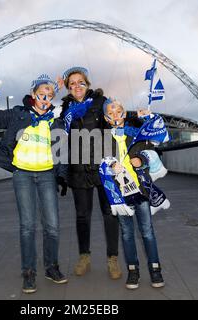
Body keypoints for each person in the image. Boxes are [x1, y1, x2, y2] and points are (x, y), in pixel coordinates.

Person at [0, 74, 68, 294]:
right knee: (27, 226)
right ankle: (28, 272)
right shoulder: (19, 114)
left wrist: (61, 175)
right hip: (22, 174)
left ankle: (51, 267)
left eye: (49, 95)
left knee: (52, 226)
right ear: (33, 95)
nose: (45, 98)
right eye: (41, 94)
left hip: (46, 176)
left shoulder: (56, 121)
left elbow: (61, 152)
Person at [58, 67, 122, 280]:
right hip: (79, 170)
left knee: (109, 213)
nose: (77, 86)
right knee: (82, 216)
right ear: (68, 88)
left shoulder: (100, 102)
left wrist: (113, 161)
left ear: (87, 84)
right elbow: (60, 136)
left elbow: (114, 125)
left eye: (80, 82)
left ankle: (112, 258)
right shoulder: (65, 110)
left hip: (103, 168)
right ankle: (84, 256)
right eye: (72, 83)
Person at [101, 98, 165, 289]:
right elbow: (99, 162)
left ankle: (155, 270)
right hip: (120, 195)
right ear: (106, 118)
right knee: (127, 233)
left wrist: (141, 160)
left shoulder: (137, 133)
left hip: (140, 191)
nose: (115, 115)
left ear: (124, 112)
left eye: (118, 111)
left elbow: (153, 151)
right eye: (110, 113)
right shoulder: (103, 139)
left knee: (147, 231)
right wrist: (110, 165)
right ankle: (133, 270)